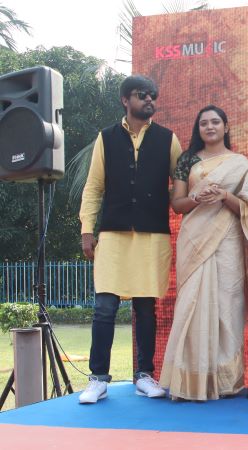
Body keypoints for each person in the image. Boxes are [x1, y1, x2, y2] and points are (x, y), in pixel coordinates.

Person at [78, 75, 182, 404]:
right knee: (104, 308)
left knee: (146, 308)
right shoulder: (106, 137)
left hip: (152, 237)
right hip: (113, 235)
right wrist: (86, 229)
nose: (149, 100)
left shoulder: (168, 139)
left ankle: (144, 375)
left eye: (153, 95)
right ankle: (98, 379)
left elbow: (182, 184)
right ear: (125, 100)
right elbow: (94, 187)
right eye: (141, 95)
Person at [159, 105, 248, 401]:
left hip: (228, 240)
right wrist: (197, 198)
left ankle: (226, 381)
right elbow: (177, 205)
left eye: (215, 122)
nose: (209, 127)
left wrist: (224, 195)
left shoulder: (240, 163)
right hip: (195, 239)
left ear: (226, 127)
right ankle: (189, 382)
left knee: (227, 306)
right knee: (192, 305)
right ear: (198, 128)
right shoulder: (187, 160)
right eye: (203, 123)